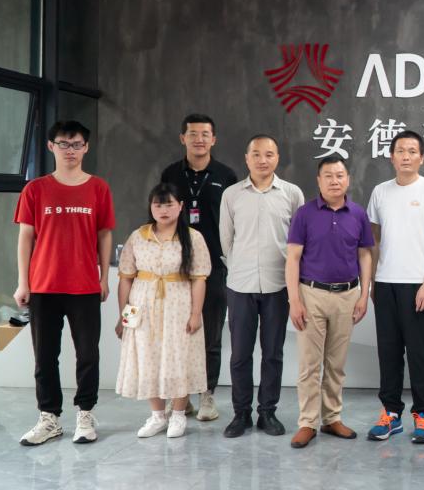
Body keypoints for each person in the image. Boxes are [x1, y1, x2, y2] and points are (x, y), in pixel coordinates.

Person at [13, 120, 115, 447]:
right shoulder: (35, 189)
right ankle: (49, 418)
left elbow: (105, 234)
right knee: (45, 356)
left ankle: (85, 413)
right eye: (63, 144)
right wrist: (23, 282)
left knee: (88, 355)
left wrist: (103, 277)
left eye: (76, 144)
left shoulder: (98, 188)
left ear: (86, 148)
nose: (70, 150)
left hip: (84, 286)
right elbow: (25, 237)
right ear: (51, 147)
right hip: (43, 286)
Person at [366, 130, 424, 444]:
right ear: (391, 156)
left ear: (421, 158)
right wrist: (372, 282)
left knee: (419, 353)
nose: (406, 156)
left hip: (418, 285)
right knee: (388, 352)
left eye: (412, 151)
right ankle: (390, 414)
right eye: (400, 150)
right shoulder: (380, 192)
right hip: (386, 284)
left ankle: (422, 414)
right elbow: (374, 241)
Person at [285, 155, 374, 449]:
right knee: (310, 364)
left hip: (347, 295)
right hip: (311, 294)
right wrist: (294, 300)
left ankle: (332, 418)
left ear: (348, 179)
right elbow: (293, 258)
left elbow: (365, 255)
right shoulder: (304, 214)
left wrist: (364, 294)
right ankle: (307, 422)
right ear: (319, 181)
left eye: (339, 175)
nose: (334, 181)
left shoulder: (358, 214)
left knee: (336, 364)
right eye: (328, 176)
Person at [219, 135, 304, 438]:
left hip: (278, 285)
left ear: (277, 158)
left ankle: (268, 412)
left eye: (269, 154)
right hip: (240, 285)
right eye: (256, 154)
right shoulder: (232, 195)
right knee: (240, 354)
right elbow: (226, 239)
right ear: (247, 158)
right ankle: (241, 413)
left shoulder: (292, 194)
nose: (262, 160)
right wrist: (239, 266)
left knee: (273, 353)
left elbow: (299, 241)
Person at [115, 183, 211, 438]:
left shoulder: (193, 238)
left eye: (169, 204)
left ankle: (178, 415)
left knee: (179, 357)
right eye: (158, 205)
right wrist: (124, 316)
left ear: (180, 206)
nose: (164, 210)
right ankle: (157, 416)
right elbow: (125, 278)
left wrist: (195, 314)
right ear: (151, 207)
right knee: (148, 357)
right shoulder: (138, 236)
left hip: (179, 306)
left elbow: (199, 279)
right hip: (143, 306)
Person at [160, 113, 238, 421]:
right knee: (176, 334)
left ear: (213, 139)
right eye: (193, 134)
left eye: (205, 134)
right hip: (175, 266)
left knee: (211, 334)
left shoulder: (226, 175)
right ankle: (180, 396)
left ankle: (207, 395)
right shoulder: (170, 173)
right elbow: (161, 215)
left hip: (215, 266)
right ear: (183, 138)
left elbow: (235, 222)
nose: (199, 139)